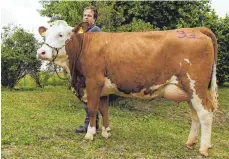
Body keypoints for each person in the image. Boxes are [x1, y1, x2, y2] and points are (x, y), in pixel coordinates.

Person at [75, 6, 102, 133]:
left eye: (89, 16)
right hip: (85, 68)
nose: (86, 17)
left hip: (92, 70)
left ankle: (90, 124)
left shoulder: (95, 31)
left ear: (94, 19)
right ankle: (92, 123)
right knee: (88, 97)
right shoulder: (82, 31)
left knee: (89, 97)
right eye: (84, 15)